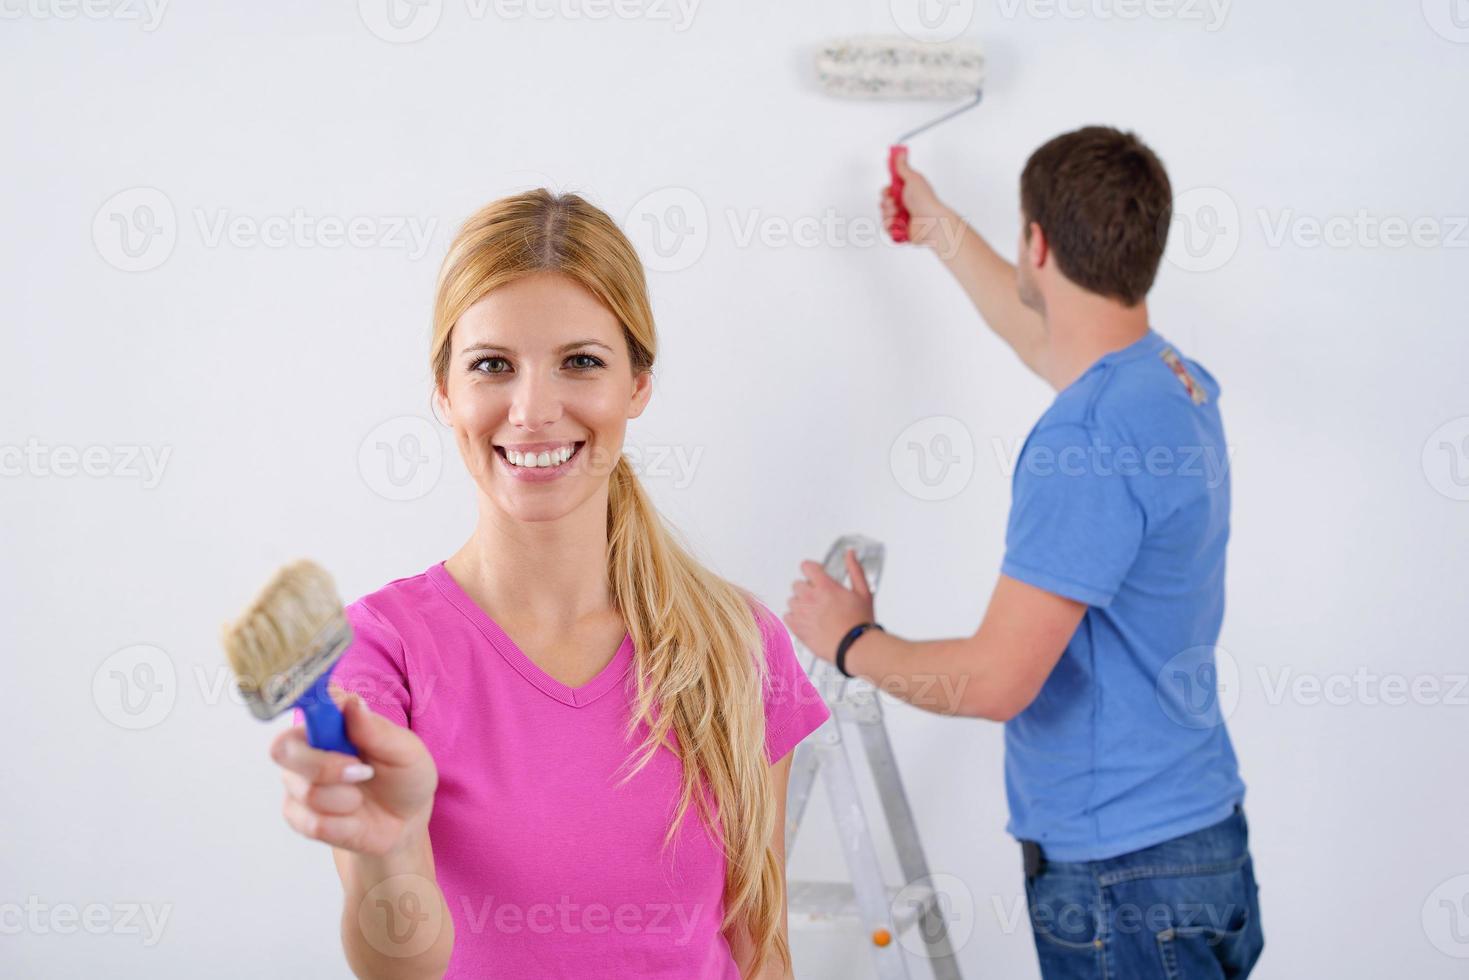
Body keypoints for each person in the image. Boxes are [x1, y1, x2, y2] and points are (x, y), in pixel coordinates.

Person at [268, 189, 831, 979]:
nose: (532, 410)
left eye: (581, 362)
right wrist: (390, 848)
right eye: (492, 365)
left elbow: (760, 948)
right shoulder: (379, 650)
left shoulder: (738, 641)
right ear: (444, 392)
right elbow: (401, 966)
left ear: (636, 385)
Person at [783, 126, 1264, 979]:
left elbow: (997, 681)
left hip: (1124, 876)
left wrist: (849, 642)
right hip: (1201, 842)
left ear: (1035, 243)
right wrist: (935, 225)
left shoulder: (1082, 440)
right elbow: (1041, 336)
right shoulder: (1169, 382)